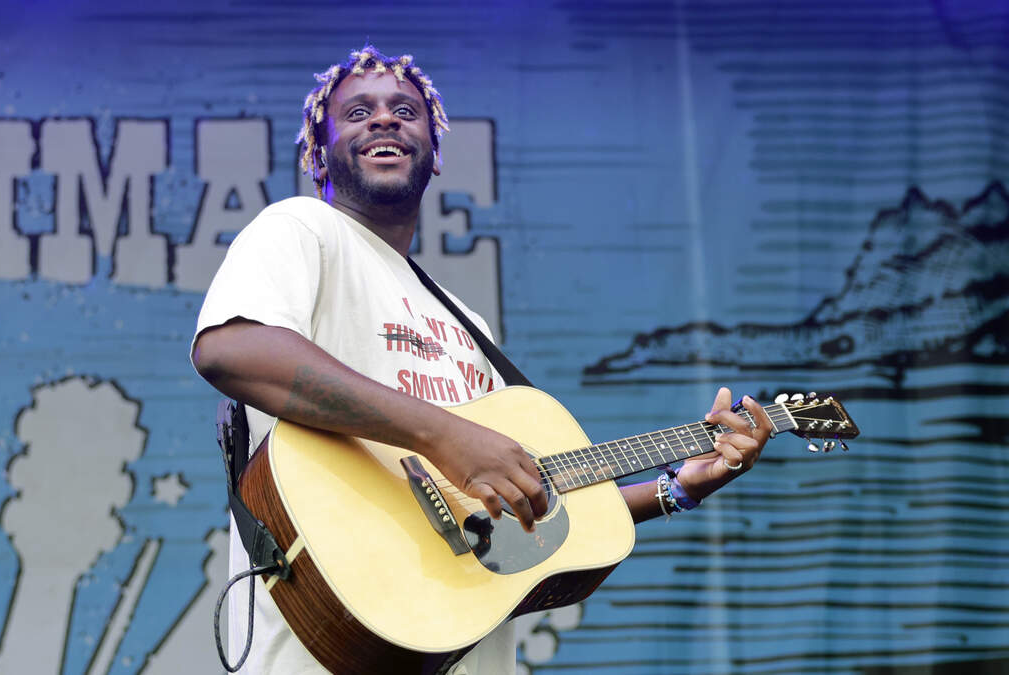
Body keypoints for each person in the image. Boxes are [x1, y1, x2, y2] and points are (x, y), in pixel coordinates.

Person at [191, 45, 772, 675]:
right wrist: (445, 436)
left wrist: (674, 490)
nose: (384, 119)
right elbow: (232, 348)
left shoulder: (469, 324)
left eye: (405, 111)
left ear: (434, 150)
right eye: (358, 112)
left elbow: (509, 513)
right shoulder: (302, 230)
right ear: (318, 151)